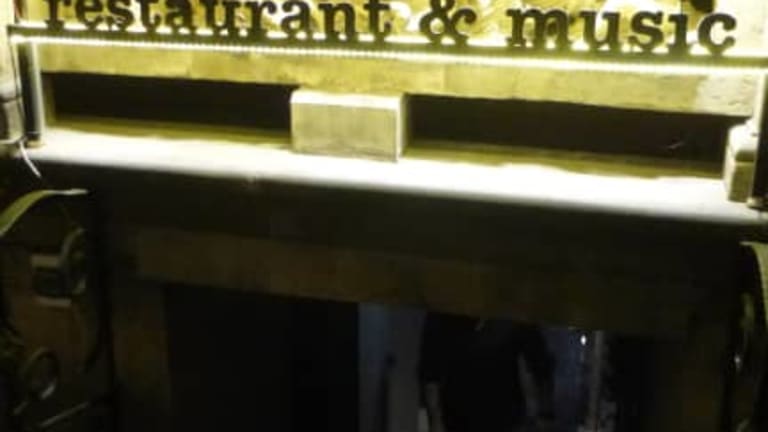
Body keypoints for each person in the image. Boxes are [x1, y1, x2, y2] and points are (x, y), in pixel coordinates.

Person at [419, 313, 555, 432]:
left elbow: (540, 364)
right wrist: (435, 421)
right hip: (461, 416)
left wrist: (545, 414)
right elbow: (429, 371)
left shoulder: (512, 311)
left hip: (502, 416)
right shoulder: (445, 313)